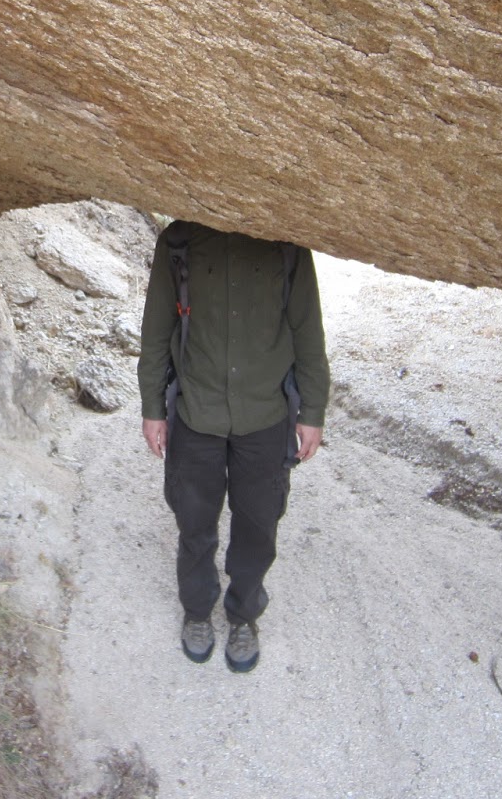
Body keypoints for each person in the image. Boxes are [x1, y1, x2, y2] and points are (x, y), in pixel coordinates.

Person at [137, 220, 330, 673]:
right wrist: (152, 408)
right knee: (194, 522)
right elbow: (156, 327)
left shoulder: (286, 246)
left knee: (259, 525)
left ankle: (244, 615)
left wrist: (313, 411)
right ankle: (197, 610)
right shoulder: (180, 241)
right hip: (196, 412)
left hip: (265, 416)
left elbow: (308, 331)